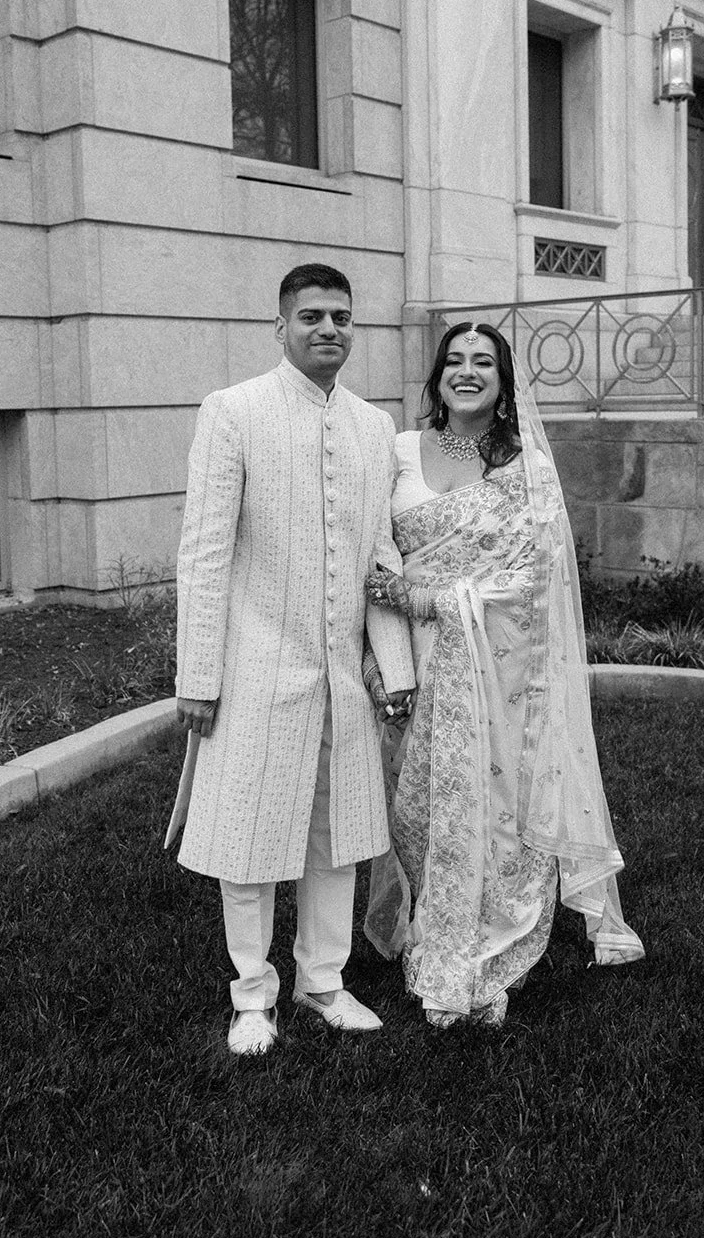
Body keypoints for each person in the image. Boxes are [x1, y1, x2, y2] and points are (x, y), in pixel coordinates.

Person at [364, 321, 644, 1028]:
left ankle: (481, 947)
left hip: (499, 663)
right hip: (411, 659)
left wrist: (429, 600)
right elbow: (373, 556)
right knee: (415, 808)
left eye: (482, 362)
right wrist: (381, 651)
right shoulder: (399, 450)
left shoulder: (526, 464)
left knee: (492, 806)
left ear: (503, 379)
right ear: (437, 377)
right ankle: (433, 922)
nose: (467, 371)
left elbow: (535, 580)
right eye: (454, 360)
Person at [168, 263, 416, 1055]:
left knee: (336, 836)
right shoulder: (233, 410)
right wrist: (198, 678)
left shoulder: (374, 427)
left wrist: (395, 670)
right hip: (254, 669)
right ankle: (251, 995)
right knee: (247, 838)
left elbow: (381, 557)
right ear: (280, 328)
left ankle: (322, 982)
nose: (327, 329)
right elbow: (204, 554)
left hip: (341, 677)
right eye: (310, 316)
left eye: (340, 316)